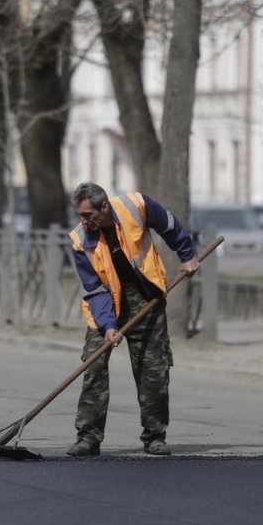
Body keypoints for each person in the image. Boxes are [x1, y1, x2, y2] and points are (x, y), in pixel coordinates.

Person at [67, 182, 200, 458]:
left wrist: (186, 255)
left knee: (153, 370)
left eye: (87, 214)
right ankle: (88, 438)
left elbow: (169, 225)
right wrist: (109, 326)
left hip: (145, 298)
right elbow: (94, 288)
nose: (83, 221)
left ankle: (154, 437)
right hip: (105, 304)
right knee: (93, 369)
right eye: (79, 214)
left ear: (103, 207)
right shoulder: (80, 240)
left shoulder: (135, 205)